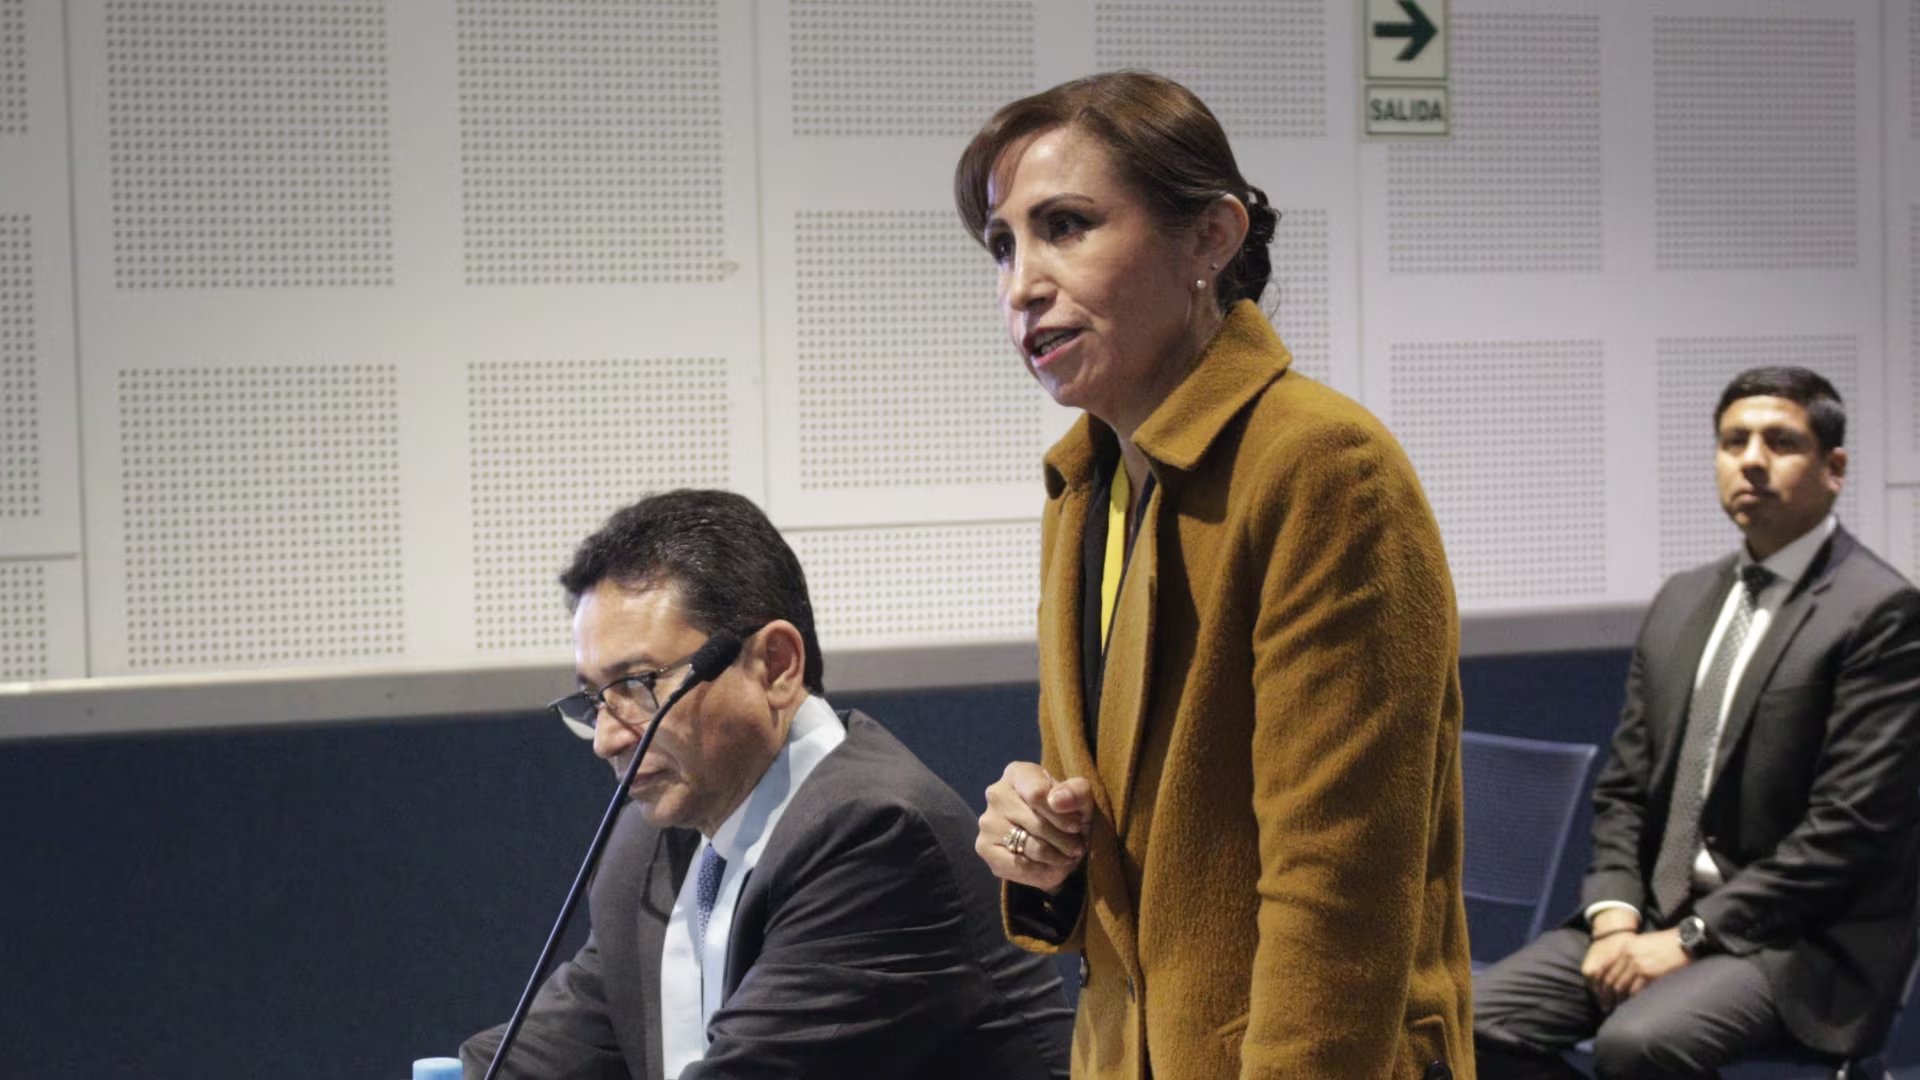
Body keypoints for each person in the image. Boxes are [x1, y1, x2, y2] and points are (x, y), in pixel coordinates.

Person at [954, 71, 1474, 1078]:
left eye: (1067, 226)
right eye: (1003, 244)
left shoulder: (1321, 465)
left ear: (1211, 238)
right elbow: (1131, 873)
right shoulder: (1088, 482)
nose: (1022, 283)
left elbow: (1339, 902)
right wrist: (1037, 850)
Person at [461, 489, 1074, 1079]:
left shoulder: (876, 836)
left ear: (777, 665)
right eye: (595, 699)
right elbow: (553, 1051)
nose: (608, 738)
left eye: (640, 684)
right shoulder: (652, 842)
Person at [1473, 367, 1920, 1079]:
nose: (1750, 458)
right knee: (1463, 1024)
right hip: (1652, 919)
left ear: (1834, 469)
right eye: (1732, 440)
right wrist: (1617, 913)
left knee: (1639, 1044)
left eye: (1780, 442)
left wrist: (1690, 936)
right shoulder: (1684, 601)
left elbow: (1849, 833)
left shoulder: (1879, 613)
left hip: (1797, 945)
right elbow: (1624, 791)